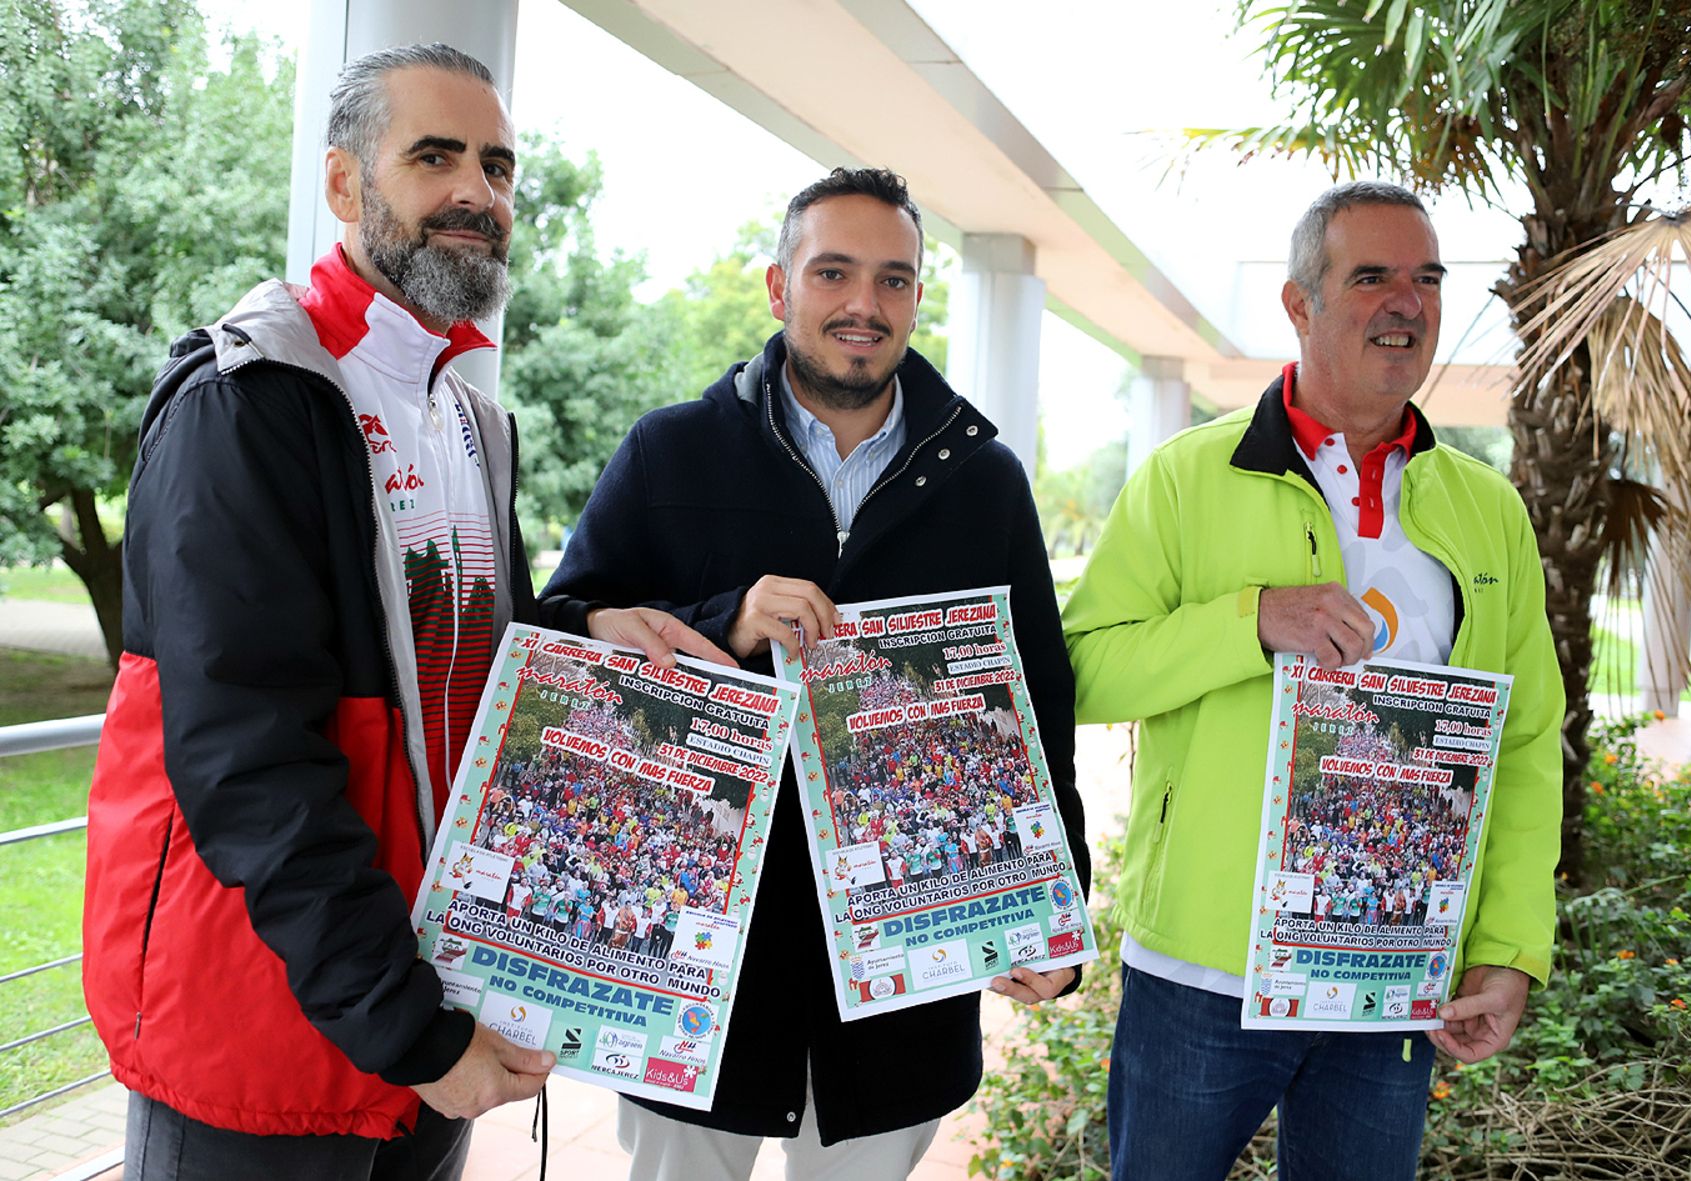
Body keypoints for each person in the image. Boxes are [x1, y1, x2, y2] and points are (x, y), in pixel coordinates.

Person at [81, 43, 718, 1180]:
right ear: (343, 185)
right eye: (435, 157)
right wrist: (407, 1028)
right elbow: (248, 761)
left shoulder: (475, 421)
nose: (479, 192)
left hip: (440, 1004)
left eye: (500, 166)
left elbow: (467, 671)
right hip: (272, 1033)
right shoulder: (247, 400)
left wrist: (583, 637)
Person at [538, 166, 1091, 1180]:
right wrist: (727, 621)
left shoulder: (985, 482)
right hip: (697, 968)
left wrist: (1054, 907)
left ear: (917, 299)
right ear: (776, 285)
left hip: (896, 984)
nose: (862, 304)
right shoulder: (671, 453)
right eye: (832, 271)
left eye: (892, 280)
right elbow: (564, 635)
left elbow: (1039, 704)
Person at [1062, 181, 1564, 1180]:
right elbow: (1081, 668)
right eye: (1370, 275)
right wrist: (1249, 618)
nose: (1407, 302)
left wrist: (1506, 945)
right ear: (1299, 304)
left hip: (1392, 967)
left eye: (1426, 278)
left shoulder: (1487, 506)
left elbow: (1524, 736)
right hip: (1198, 973)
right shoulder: (1182, 477)